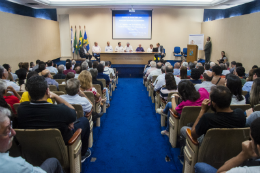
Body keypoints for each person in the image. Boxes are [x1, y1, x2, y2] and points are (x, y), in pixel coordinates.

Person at [17, 76, 91, 162]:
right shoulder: (60, 109)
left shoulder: (21, 108)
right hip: (63, 146)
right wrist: (56, 96)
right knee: (84, 120)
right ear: (47, 91)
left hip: (33, 150)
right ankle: (83, 154)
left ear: (28, 93)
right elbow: (74, 112)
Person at [0, 106, 64, 173]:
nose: (14, 132)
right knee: (53, 161)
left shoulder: (21, 108)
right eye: (7, 130)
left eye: (11, 126)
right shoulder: (17, 165)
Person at [180, 86, 246, 143]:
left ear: (213, 104)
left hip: (209, 147)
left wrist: (203, 110)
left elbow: (193, 134)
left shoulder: (208, 118)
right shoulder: (240, 113)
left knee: (183, 129)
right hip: (233, 146)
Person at [195, 117, 260, 173]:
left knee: (199, 166)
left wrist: (243, 155)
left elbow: (220, 172)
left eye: (251, 139)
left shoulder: (243, 171)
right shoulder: (240, 114)